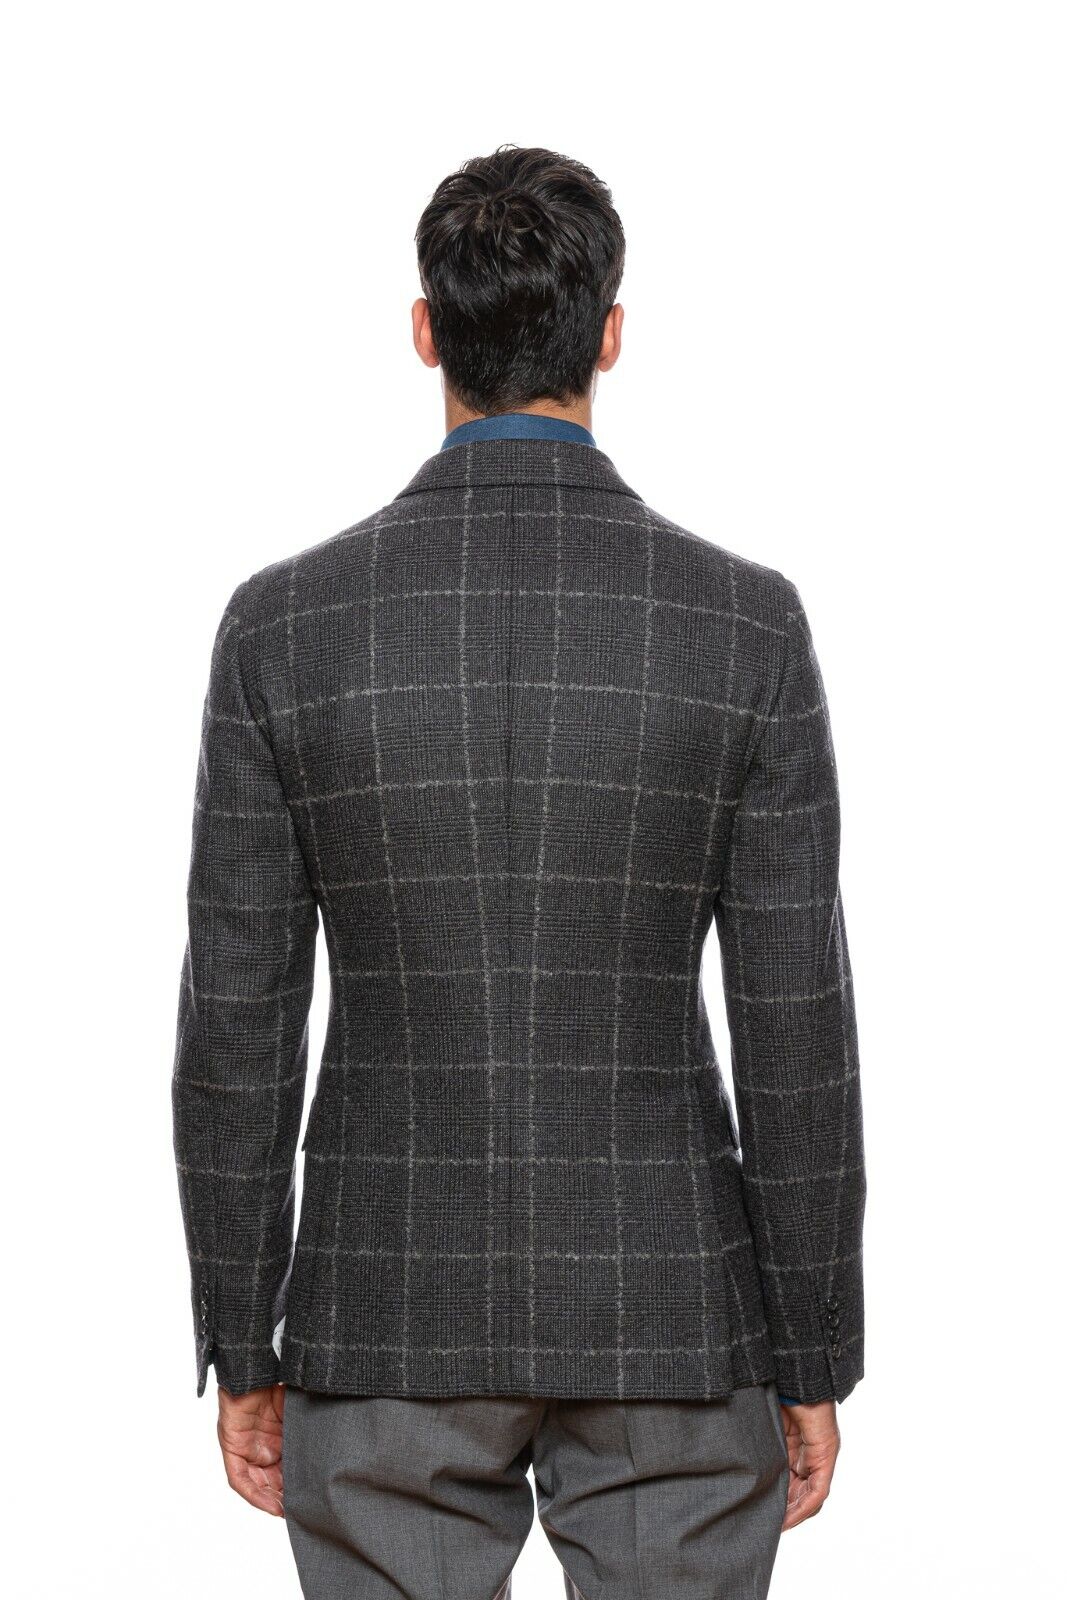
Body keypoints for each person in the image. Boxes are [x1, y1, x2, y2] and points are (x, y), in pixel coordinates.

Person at [173, 143, 865, 1600]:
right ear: (609, 335)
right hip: (675, 1321)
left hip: (383, 1314)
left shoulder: (283, 629)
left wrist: (244, 1338)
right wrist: (814, 1351)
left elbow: (235, 1025)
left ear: (426, 331)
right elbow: (797, 1028)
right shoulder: (744, 626)